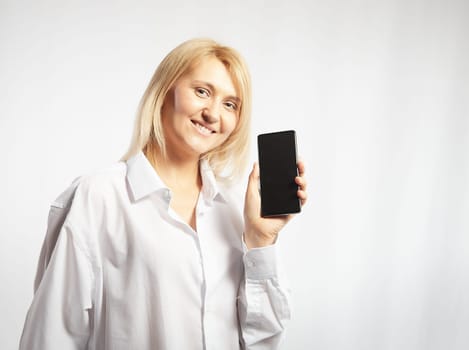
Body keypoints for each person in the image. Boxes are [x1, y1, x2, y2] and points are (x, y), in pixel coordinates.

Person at [19, 38, 307, 350]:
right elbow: (52, 336)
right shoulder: (99, 196)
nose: (212, 113)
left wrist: (260, 241)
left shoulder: (238, 207)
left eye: (230, 104)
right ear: (166, 90)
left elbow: (263, 340)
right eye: (202, 91)